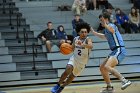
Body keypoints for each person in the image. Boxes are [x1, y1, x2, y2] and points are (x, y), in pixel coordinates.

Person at [91, 12, 132, 93]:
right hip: (114, 51)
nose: (100, 22)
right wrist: (94, 32)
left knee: (107, 66)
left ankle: (125, 81)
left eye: (101, 20)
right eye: (100, 20)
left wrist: (105, 24)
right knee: (102, 67)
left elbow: (112, 30)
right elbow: (104, 36)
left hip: (119, 50)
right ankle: (109, 87)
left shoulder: (111, 25)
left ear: (106, 19)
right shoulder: (106, 29)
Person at [51, 22, 93, 93]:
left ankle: (62, 87)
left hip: (82, 63)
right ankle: (58, 85)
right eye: (82, 32)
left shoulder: (88, 39)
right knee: (68, 69)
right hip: (74, 59)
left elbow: (90, 46)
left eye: (85, 32)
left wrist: (83, 44)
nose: (84, 33)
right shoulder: (75, 39)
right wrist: (64, 49)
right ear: (79, 32)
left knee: (71, 77)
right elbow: (72, 48)